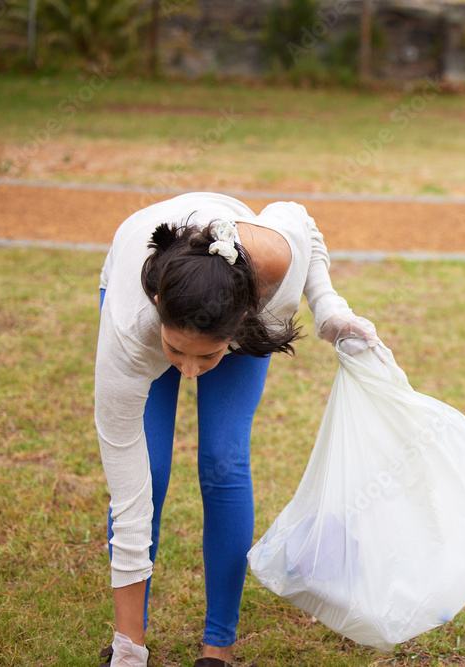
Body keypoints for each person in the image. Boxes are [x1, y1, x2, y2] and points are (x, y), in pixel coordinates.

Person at [94, 192, 382, 666]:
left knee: (223, 461)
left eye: (206, 355)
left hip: (237, 288)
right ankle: (130, 640)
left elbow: (303, 224)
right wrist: (128, 652)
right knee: (150, 472)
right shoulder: (130, 326)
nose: (188, 371)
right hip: (142, 292)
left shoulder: (272, 269)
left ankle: (219, 645)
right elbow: (128, 500)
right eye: (176, 352)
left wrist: (328, 306)